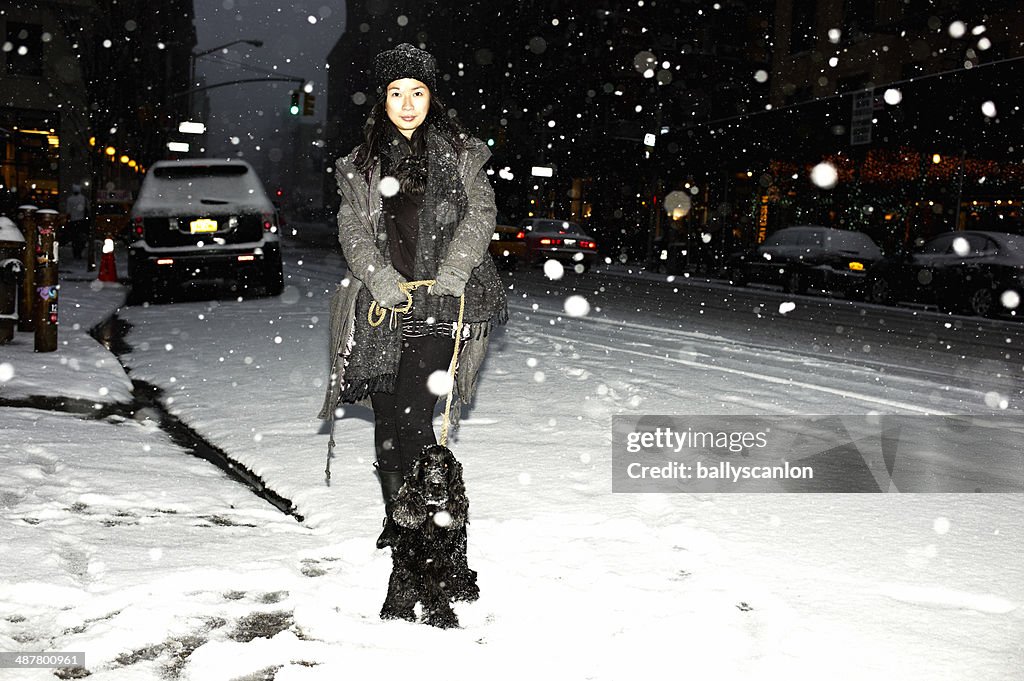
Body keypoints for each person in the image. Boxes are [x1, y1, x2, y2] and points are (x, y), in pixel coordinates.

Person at [319, 43, 507, 548]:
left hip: (441, 301)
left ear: (431, 97)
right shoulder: (361, 164)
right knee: (386, 418)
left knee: (412, 416)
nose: (407, 103)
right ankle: (397, 515)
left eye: (417, 92)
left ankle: (439, 529)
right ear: (382, 100)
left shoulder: (461, 154)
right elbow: (352, 228)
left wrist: (452, 273)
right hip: (381, 307)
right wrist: (379, 278)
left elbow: (481, 216)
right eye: (396, 93)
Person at [65, 184, 89, 260]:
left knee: (74, 238)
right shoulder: (84, 199)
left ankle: (76, 253)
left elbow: (68, 212)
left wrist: (68, 221)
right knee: (81, 238)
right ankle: (79, 251)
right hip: (81, 221)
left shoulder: (70, 199)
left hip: (73, 221)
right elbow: (87, 209)